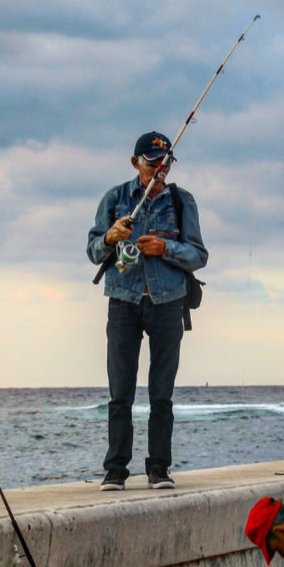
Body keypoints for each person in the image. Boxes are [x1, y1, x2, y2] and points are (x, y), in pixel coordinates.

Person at [87, 131, 208, 489]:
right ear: (135, 162)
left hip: (168, 303)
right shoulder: (115, 198)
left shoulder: (183, 202)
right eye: (153, 162)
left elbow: (199, 255)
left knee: (161, 392)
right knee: (120, 391)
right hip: (123, 302)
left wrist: (164, 248)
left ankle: (158, 468)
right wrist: (110, 237)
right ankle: (116, 469)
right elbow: (93, 250)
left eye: (166, 161)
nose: (160, 169)